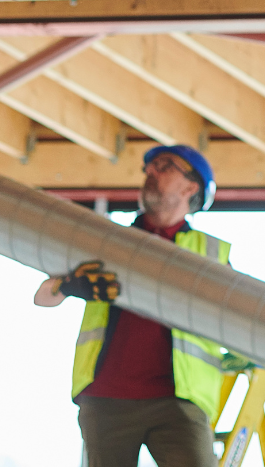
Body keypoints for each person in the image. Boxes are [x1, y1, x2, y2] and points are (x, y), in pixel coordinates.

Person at [34, 144, 231, 467]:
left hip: (179, 402)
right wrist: (69, 285)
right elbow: (42, 296)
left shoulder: (210, 255)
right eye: (149, 168)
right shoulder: (106, 240)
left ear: (190, 187)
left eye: (164, 166)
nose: (150, 172)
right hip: (107, 398)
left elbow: (240, 320)